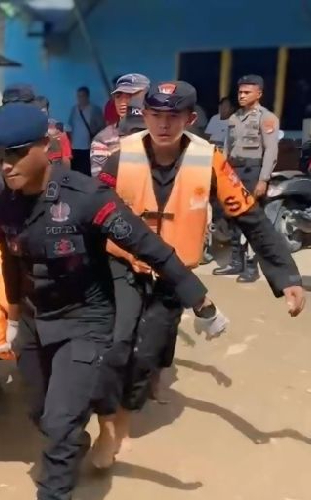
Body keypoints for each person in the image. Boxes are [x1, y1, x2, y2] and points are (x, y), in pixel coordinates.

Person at [0, 101, 223, 500]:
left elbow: (152, 248)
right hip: (33, 320)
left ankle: (55, 488)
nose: (7, 165)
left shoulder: (87, 197)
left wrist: (201, 303)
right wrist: (11, 319)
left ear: (47, 144)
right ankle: (72, 444)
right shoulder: (3, 204)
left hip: (83, 321)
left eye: (17, 153)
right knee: (41, 413)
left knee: (60, 423)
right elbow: (11, 263)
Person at [93, 81, 305, 469]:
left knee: (145, 354)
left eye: (174, 117)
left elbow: (251, 219)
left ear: (190, 119)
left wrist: (286, 274)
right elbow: (90, 210)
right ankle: (109, 428)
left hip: (174, 276)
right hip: (123, 266)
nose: (163, 124)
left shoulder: (210, 160)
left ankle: (125, 417)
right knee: (114, 347)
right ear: (146, 115)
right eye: (156, 114)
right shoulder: (121, 156)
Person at [213, 75, 281, 282]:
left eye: (246, 92)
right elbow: (226, 147)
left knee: (251, 220)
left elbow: (271, 150)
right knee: (234, 217)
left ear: (258, 93)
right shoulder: (234, 118)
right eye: (240, 92)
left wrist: (263, 179)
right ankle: (236, 262)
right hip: (234, 171)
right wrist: (222, 172)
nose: (241, 96)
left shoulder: (266, 118)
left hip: (253, 172)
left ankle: (252, 267)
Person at [90, 73, 151, 177]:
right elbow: (100, 183)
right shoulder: (103, 139)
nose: (123, 102)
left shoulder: (162, 133)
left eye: (130, 96)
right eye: (118, 97)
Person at [67, 86, 105, 176]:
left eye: (82, 96)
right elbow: (70, 126)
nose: (80, 99)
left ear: (87, 96)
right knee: (76, 171)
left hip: (88, 146)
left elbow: (101, 127)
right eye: (78, 96)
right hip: (75, 147)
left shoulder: (95, 109)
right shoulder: (74, 109)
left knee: (87, 171)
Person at [34, 95, 72, 166]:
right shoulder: (29, 131)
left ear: (48, 111)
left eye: (43, 113)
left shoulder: (57, 128)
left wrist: (66, 176)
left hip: (56, 168)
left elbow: (66, 155)